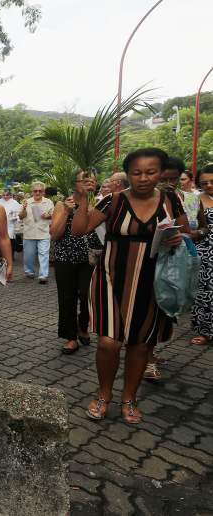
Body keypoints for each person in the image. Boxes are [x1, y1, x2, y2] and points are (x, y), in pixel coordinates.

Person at [72, 148, 188, 424]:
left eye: (151, 172)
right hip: (110, 278)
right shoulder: (112, 201)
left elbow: (188, 230)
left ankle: (129, 398)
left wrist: (178, 237)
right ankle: (104, 394)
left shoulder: (171, 199)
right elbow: (79, 230)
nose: (144, 178)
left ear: (160, 173)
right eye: (137, 173)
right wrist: (81, 198)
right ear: (128, 174)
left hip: (152, 283)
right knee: (108, 342)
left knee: (139, 343)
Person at [49, 175, 93, 355]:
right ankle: (70, 337)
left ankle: (83, 326)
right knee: (67, 297)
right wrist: (67, 212)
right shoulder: (62, 204)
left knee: (86, 295)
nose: (87, 183)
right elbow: (54, 234)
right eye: (83, 180)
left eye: (91, 180)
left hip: (89, 259)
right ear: (74, 184)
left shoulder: (98, 204)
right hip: (65, 258)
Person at [191, 164, 213, 346]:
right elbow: (194, 226)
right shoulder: (196, 200)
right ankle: (205, 331)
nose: (208, 185)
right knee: (204, 291)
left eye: (212, 181)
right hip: (204, 251)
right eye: (204, 182)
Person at [19, 181, 53, 283]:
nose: (37, 193)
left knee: (44, 254)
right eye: (35, 191)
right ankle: (29, 271)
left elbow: (54, 215)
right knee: (29, 255)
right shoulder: (26, 202)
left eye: (40, 191)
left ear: (43, 192)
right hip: (29, 233)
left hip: (44, 232)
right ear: (32, 192)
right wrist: (24, 209)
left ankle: (43, 275)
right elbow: (21, 216)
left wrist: (48, 216)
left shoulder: (48, 202)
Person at [0, 188, 21, 259]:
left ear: (10, 195)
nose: (5, 197)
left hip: (10, 224)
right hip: (0, 223)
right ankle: (0, 255)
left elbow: (18, 213)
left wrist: (15, 216)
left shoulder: (15, 203)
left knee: (10, 240)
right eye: (3, 195)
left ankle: (10, 255)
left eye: (7, 195)